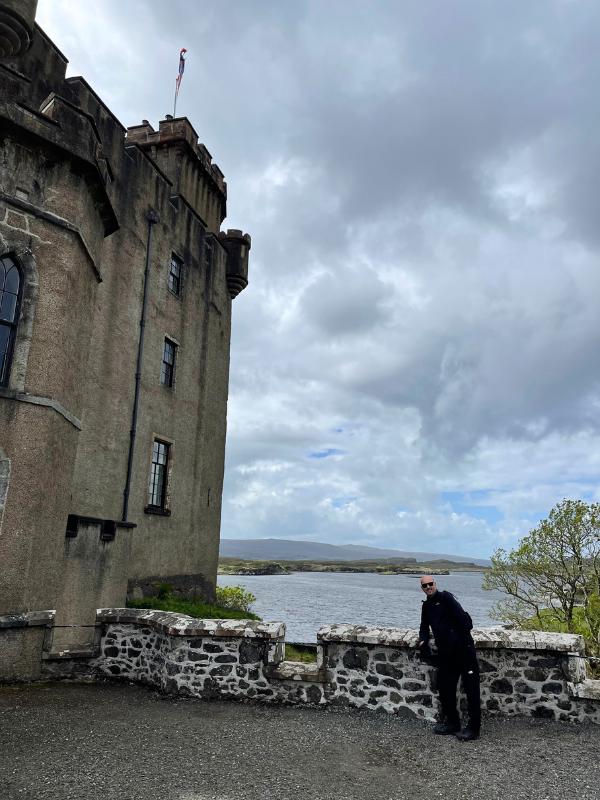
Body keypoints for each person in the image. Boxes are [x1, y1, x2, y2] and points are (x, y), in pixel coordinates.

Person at [417, 575, 481, 741]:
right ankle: (453, 723)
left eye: (430, 584)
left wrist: (457, 637)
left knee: (471, 689)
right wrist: (423, 639)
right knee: (445, 688)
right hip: (446, 653)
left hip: (464, 649)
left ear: (435, 584)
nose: (428, 587)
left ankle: (474, 728)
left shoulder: (447, 598)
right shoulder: (427, 606)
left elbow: (466, 623)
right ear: (422, 588)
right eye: (425, 585)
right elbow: (424, 626)